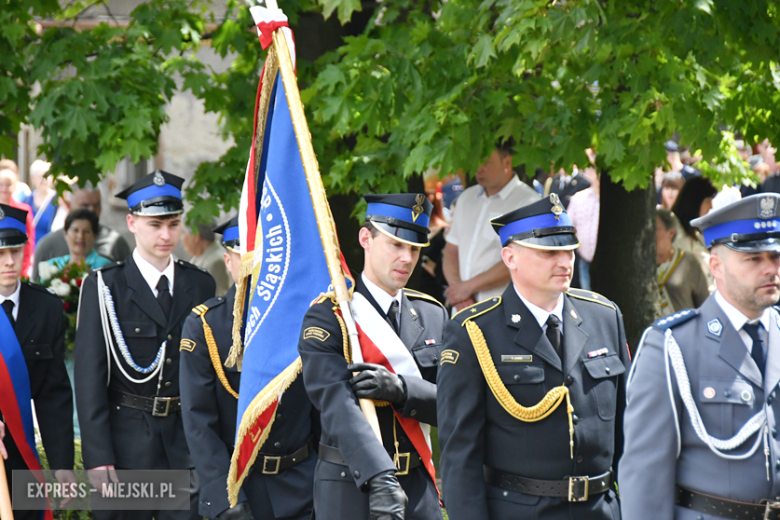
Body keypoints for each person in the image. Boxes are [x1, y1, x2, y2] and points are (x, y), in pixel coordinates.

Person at [437, 195, 631, 520]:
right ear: (510, 257)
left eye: (569, 250)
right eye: (549, 252)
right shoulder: (474, 332)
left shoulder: (603, 316)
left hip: (601, 510)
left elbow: (628, 433)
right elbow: (460, 458)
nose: (565, 261)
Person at [619, 193, 780, 519]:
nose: (770, 269)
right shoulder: (672, 346)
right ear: (716, 267)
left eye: (775, 257)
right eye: (753, 259)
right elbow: (645, 476)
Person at [74, 170, 216, 520]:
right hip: (126, 445)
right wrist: (98, 456)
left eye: (173, 223)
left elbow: (208, 372)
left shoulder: (199, 285)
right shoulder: (105, 287)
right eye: (155, 225)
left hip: (184, 444)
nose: (166, 235)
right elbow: (89, 378)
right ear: (132, 222)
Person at [298, 194, 448, 520]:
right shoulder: (331, 316)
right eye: (395, 244)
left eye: (414, 248)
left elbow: (454, 403)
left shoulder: (432, 315)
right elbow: (336, 403)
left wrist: (404, 390)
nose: (407, 258)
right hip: (350, 486)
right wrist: (380, 477)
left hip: (418, 485)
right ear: (366, 238)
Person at [180, 216, 318, 520]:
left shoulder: (305, 320)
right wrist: (224, 496)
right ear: (228, 261)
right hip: (241, 485)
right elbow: (198, 421)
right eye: (246, 257)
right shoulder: (206, 326)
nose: (255, 267)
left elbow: (322, 404)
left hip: (303, 482)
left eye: (265, 257)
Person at [0, 203, 75, 520]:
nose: (8, 262)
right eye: (0, 253)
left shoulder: (45, 307)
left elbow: (53, 395)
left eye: (15, 251)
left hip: (21, 456)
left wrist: (62, 467)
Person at [443, 143, 539, 311]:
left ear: (507, 163)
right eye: (476, 162)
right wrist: (458, 293)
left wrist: (467, 289)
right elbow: (451, 251)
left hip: (503, 311)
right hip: (462, 309)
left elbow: (520, 260)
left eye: (486, 163)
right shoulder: (466, 198)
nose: (478, 169)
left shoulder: (527, 202)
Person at [32, 183, 131, 281]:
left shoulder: (116, 243)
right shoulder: (48, 245)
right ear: (68, 205)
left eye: (96, 205)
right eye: (85, 205)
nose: (92, 210)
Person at [655, 208, 710, 315]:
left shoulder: (688, 262)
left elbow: (704, 304)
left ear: (671, 233)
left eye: (655, 229)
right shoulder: (642, 265)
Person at [672, 175, 718, 290]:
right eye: (708, 201)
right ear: (695, 201)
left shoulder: (696, 234)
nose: (711, 206)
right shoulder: (677, 235)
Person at [45, 208, 111, 272]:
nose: (80, 237)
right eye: (75, 231)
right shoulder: (52, 266)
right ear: (65, 234)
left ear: (94, 236)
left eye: (86, 232)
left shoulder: (105, 267)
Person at [566, 165, 600, 290]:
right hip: (584, 259)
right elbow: (568, 226)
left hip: (607, 261)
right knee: (588, 296)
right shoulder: (579, 198)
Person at [0, 159, 36, 276]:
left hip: (18, 268)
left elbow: (29, 242)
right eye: (0, 185)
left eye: (8, 184)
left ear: (15, 186)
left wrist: (23, 269)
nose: (4, 188)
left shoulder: (24, 210)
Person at [182, 221, 231, 297]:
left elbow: (220, 296)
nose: (181, 239)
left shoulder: (216, 261)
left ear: (196, 236)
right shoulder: (199, 257)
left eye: (183, 233)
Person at [22, 159, 58, 244]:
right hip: (30, 251)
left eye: (47, 175)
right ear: (32, 179)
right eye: (40, 176)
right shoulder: (26, 201)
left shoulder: (57, 201)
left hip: (48, 251)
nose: (44, 180)